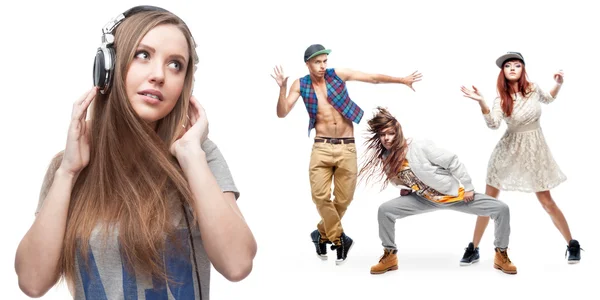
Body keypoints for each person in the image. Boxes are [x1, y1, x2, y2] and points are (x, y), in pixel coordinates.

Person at [14, 6, 256, 299]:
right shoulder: (68, 167)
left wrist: (191, 155)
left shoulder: (200, 157)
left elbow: (237, 264)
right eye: (143, 55)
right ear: (108, 67)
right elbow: (32, 281)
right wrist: (67, 172)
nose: (159, 75)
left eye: (175, 65)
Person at [271, 44, 422, 265]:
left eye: (324, 61)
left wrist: (402, 80)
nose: (322, 66)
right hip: (321, 147)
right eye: (317, 62)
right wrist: (282, 89)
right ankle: (340, 239)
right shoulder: (300, 84)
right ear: (307, 64)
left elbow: (371, 78)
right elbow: (282, 113)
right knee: (320, 197)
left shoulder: (337, 76)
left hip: (347, 147)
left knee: (344, 199)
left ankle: (321, 234)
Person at [358, 107, 517, 275]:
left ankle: (501, 255)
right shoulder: (387, 157)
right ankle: (389, 256)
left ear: (398, 131)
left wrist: (468, 188)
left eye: (390, 133)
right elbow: (395, 179)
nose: (386, 138)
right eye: (383, 135)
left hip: (455, 197)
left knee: (501, 209)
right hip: (422, 199)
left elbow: (452, 162)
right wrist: (404, 188)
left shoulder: (419, 146)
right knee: (385, 210)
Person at [460, 51, 582, 265]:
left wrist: (558, 83)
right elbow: (493, 124)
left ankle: (572, 243)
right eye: (508, 66)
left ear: (523, 69)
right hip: (507, 151)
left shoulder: (533, 89)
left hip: (534, 151)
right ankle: (474, 248)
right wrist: (482, 103)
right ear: (503, 72)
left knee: (546, 201)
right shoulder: (501, 98)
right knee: (489, 202)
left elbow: (549, 98)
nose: (513, 68)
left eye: (517, 65)